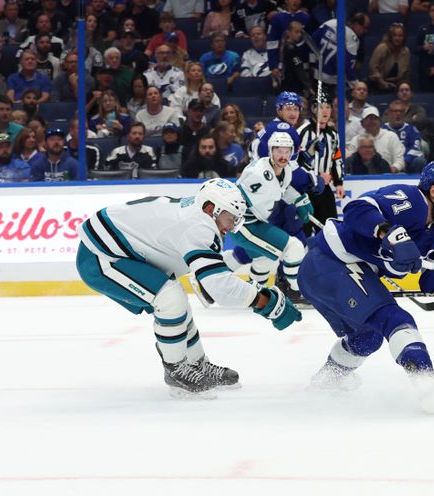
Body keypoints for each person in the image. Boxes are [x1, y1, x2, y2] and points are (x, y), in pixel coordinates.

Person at [297, 160, 434, 414]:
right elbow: (356, 208)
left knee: (368, 336)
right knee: (394, 318)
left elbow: (432, 280)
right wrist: (391, 233)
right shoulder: (411, 200)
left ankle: (327, 380)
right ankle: (428, 388)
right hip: (329, 261)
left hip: (332, 274)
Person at [75, 177, 302, 396]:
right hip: (100, 257)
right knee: (170, 300)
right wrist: (267, 302)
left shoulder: (197, 214)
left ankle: (196, 364)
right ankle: (176, 369)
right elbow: (219, 286)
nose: (232, 227)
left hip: (119, 249)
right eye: (231, 217)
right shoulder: (198, 227)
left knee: (176, 301)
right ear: (211, 208)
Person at [227, 131, 311, 294]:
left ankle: (255, 293)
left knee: (265, 258)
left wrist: (298, 199)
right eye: (279, 151)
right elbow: (238, 199)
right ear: (270, 151)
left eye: (287, 151)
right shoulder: (258, 174)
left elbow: (281, 190)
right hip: (243, 224)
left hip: (257, 222)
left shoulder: (285, 171)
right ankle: (297, 290)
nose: (283, 156)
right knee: (293, 248)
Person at [297, 97, 344, 233]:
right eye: (321, 107)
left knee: (329, 228)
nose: (325, 111)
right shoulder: (303, 132)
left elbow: (337, 158)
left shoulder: (333, 135)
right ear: (313, 109)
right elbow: (296, 162)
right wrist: (316, 176)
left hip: (325, 188)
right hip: (305, 189)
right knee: (303, 229)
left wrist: (339, 182)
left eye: (328, 107)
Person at [346, 106, 405, 173]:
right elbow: (350, 162)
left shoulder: (391, 136)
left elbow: (399, 161)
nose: (372, 122)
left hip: (387, 175)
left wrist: (387, 173)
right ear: (362, 123)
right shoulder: (356, 139)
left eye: (374, 118)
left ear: (380, 121)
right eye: (368, 119)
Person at [383, 99, 427, 173]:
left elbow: (416, 149)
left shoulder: (411, 129)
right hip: (386, 162)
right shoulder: (382, 129)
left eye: (401, 111)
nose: (398, 114)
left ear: (404, 113)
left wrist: (403, 162)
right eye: (395, 111)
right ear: (389, 113)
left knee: (420, 161)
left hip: (406, 163)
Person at [368, 22, 410, 94]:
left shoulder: (405, 51)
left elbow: (405, 73)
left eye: (400, 36)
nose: (397, 38)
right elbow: (373, 67)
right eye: (395, 35)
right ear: (391, 36)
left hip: (396, 86)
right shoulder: (382, 47)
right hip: (378, 84)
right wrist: (383, 83)